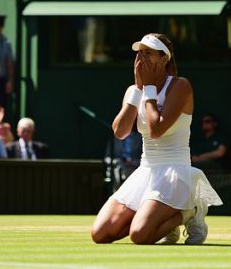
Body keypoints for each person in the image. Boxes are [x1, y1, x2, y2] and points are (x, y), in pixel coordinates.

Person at [91, 33, 222, 246]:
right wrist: (138, 90)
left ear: (164, 58)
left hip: (175, 173)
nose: (141, 58)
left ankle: (188, 212)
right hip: (146, 172)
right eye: (139, 53)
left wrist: (149, 87)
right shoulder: (133, 91)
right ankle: (161, 222)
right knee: (100, 234)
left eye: (148, 53)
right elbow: (120, 132)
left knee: (140, 235)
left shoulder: (181, 86)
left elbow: (156, 129)